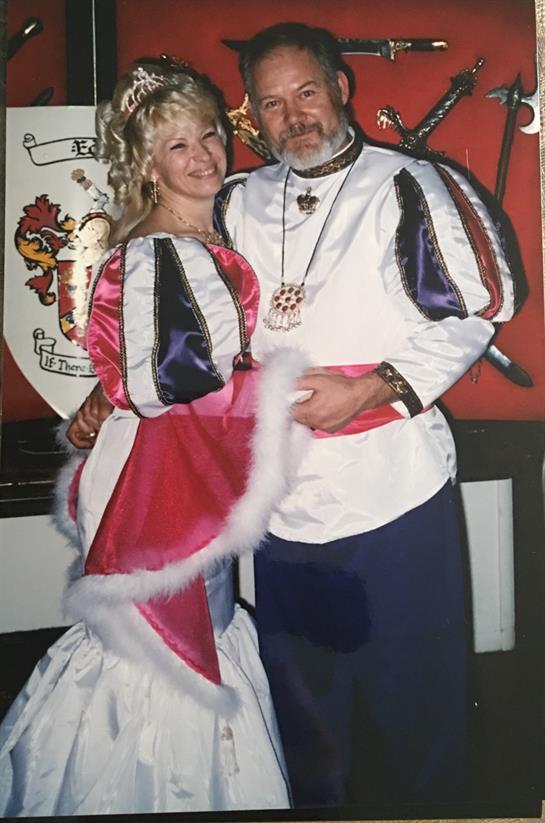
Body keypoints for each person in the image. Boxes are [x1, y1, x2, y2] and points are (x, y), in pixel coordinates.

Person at [212, 22, 519, 808]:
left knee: (417, 708)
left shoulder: (408, 184)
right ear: (253, 113)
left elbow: (477, 310)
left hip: (393, 492)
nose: (293, 117)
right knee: (304, 713)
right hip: (283, 498)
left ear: (340, 87)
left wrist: (373, 386)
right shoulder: (236, 201)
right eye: (271, 103)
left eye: (306, 92)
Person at [0, 56, 307, 817]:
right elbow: (170, 386)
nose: (204, 154)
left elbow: (135, 372)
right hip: (164, 486)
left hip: (173, 470)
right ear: (146, 164)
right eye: (178, 145)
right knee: (171, 639)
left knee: (186, 630)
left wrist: (102, 399)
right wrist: (290, 389)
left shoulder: (196, 238)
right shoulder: (159, 253)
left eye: (209, 134)